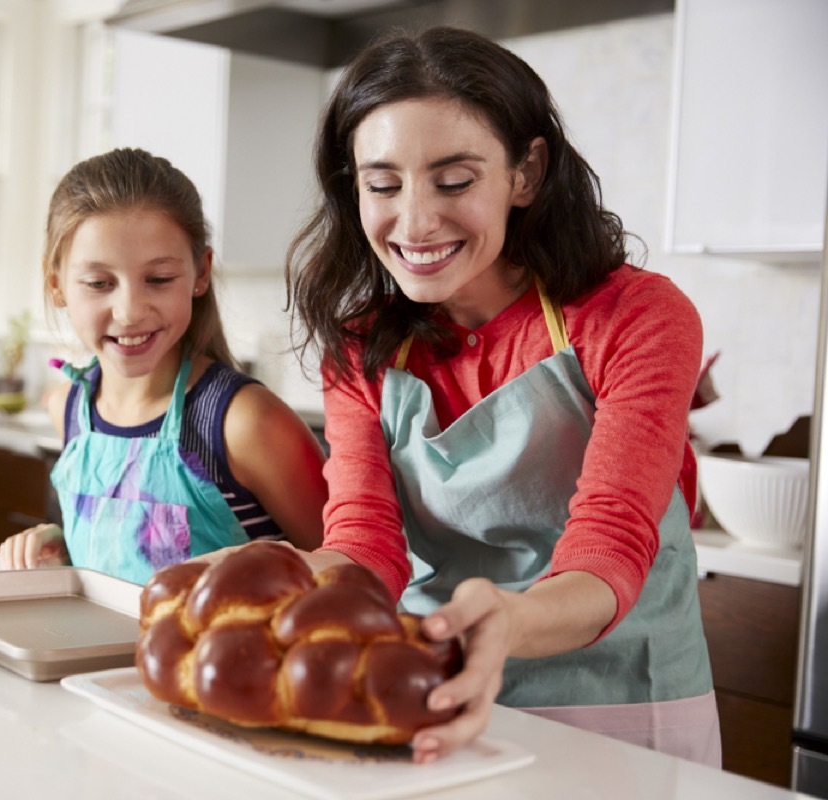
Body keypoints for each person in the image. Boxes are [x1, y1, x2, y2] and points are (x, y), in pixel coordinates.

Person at [279, 26, 719, 766]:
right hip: (434, 690)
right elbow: (365, 545)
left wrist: (501, 624)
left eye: (454, 181)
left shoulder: (634, 318)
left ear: (526, 172)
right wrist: (281, 578)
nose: (415, 222)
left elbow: (609, 547)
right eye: (382, 185)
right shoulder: (360, 346)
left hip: (624, 707)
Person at [0, 147, 328, 584]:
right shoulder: (70, 409)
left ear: (200, 272)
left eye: (158, 279)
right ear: (56, 285)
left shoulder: (245, 422)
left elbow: (350, 575)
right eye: (99, 283)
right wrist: (62, 549)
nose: (130, 311)